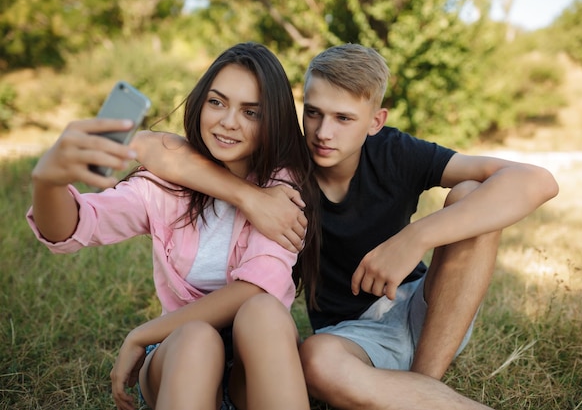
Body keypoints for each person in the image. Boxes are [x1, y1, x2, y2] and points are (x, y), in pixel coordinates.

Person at [131, 44, 559, 409]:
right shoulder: (288, 166)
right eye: (313, 113)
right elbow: (151, 146)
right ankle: (418, 396)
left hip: (427, 313)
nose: (323, 133)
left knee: (469, 194)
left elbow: (536, 180)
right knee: (314, 360)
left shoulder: (395, 152)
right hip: (347, 339)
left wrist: (417, 236)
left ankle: (427, 386)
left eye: (343, 118)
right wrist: (248, 196)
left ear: (375, 121)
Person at [26, 42, 320, 410]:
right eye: (217, 102)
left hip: (257, 365)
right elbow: (76, 225)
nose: (228, 121)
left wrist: (140, 334)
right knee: (198, 338)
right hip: (180, 356)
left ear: (272, 119)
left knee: (262, 312)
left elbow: (255, 290)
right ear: (200, 103)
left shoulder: (282, 189)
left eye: (251, 112)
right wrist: (48, 183)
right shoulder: (167, 186)